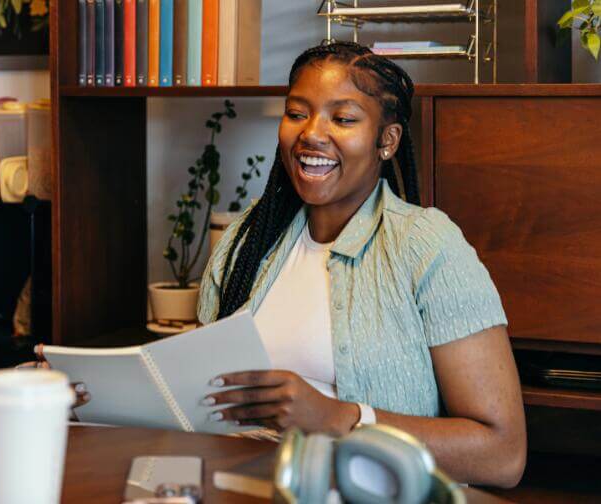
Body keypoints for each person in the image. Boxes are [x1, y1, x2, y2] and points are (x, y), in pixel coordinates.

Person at [195, 42, 526, 488]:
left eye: (344, 118)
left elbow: (502, 455)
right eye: (297, 113)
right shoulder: (243, 243)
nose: (312, 133)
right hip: (236, 489)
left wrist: (339, 419)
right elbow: (194, 395)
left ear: (386, 141)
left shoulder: (426, 246)